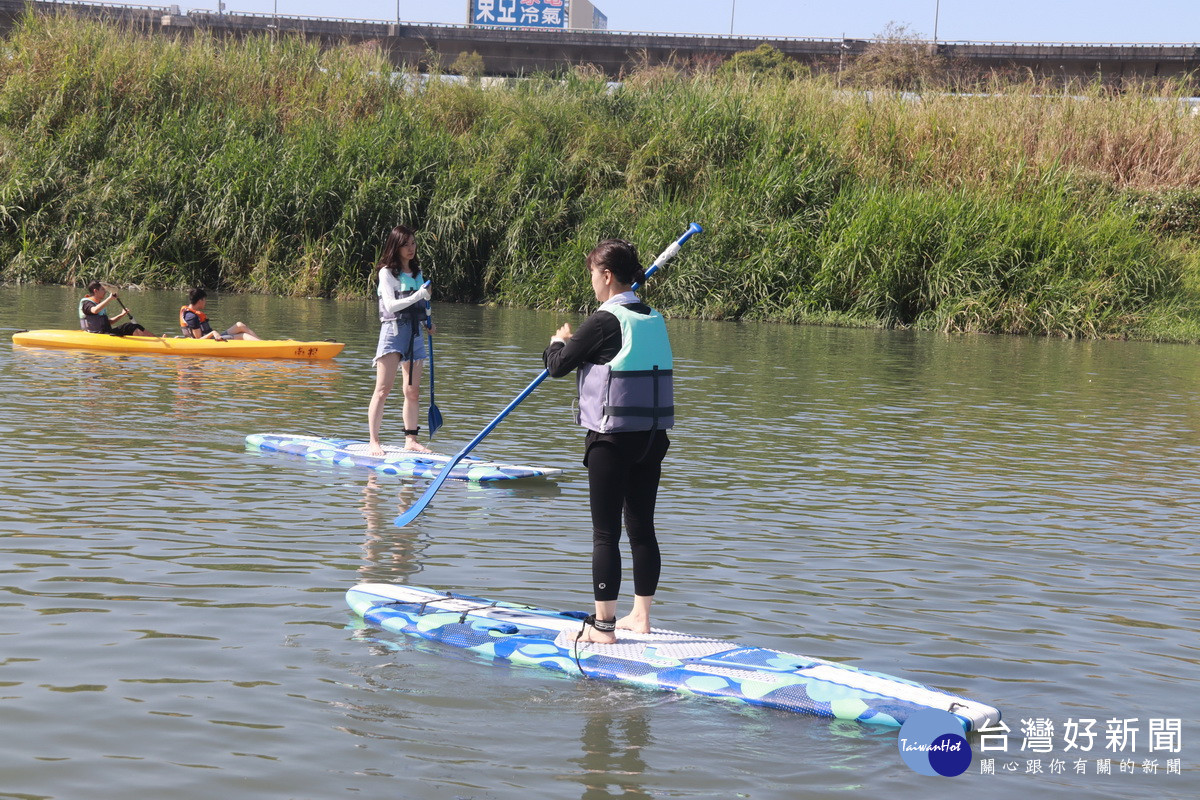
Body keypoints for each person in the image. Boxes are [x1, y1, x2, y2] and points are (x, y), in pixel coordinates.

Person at [543, 239, 674, 644]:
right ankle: (641, 616)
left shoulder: (603, 321)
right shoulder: (653, 317)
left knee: (605, 534)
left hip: (612, 441)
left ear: (606, 275)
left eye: (593, 277)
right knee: (641, 530)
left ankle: (603, 628)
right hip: (652, 439)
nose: (592, 286)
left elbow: (557, 367)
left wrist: (559, 340)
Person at [368, 225, 434, 456]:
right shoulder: (386, 273)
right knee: (383, 389)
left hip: (415, 333)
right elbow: (391, 305)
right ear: (395, 246)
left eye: (413, 243)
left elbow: (423, 303)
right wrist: (419, 295)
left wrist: (428, 322)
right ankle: (374, 441)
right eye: (406, 244)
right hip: (393, 332)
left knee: (413, 391)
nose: (411, 248)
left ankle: (411, 440)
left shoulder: (417, 273)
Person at [180, 288, 260, 341]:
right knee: (243, 336)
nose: (205, 302)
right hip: (211, 342)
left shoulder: (191, 313)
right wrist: (213, 333)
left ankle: (265, 343)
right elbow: (198, 340)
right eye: (205, 300)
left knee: (240, 325)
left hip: (214, 337)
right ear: (200, 300)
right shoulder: (192, 317)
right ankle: (267, 347)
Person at [78, 281, 154, 337]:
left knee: (135, 325)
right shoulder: (87, 303)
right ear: (95, 291)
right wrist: (109, 298)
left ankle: (156, 340)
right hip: (97, 335)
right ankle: (150, 344)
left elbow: (109, 322)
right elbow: (94, 310)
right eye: (103, 289)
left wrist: (121, 315)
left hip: (106, 333)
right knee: (130, 326)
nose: (105, 292)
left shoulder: (98, 304)